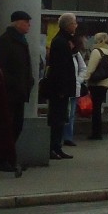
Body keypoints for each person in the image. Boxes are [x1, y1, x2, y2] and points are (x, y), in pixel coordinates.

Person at [0, 12, 35, 172]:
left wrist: (28, 81)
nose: (29, 25)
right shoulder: (6, 41)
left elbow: (24, 65)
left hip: (19, 92)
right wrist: (15, 82)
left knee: (17, 125)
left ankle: (9, 158)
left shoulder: (20, 40)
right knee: (8, 126)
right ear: (17, 23)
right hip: (9, 93)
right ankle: (2, 160)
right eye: (26, 22)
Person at [45, 13, 80, 160]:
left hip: (62, 87)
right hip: (59, 88)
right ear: (68, 25)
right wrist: (61, 88)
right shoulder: (60, 42)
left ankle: (57, 147)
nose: (76, 25)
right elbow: (59, 67)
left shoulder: (64, 40)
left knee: (61, 118)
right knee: (57, 118)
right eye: (74, 23)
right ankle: (53, 147)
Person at [85, 32, 108, 139]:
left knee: (95, 109)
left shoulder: (96, 52)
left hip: (95, 84)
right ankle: (98, 132)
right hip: (104, 84)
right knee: (98, 107)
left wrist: (85, 80)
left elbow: (91, 68)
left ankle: (96, 133)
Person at [63, 29, 87, 146]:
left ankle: (68, 136)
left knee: (71, 114)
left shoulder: (76, 55)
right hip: (66, 87)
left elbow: (83, 68)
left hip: (75, 88)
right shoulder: (65, 54)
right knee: (65, 113)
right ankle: (63, 136)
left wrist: (78, 80)